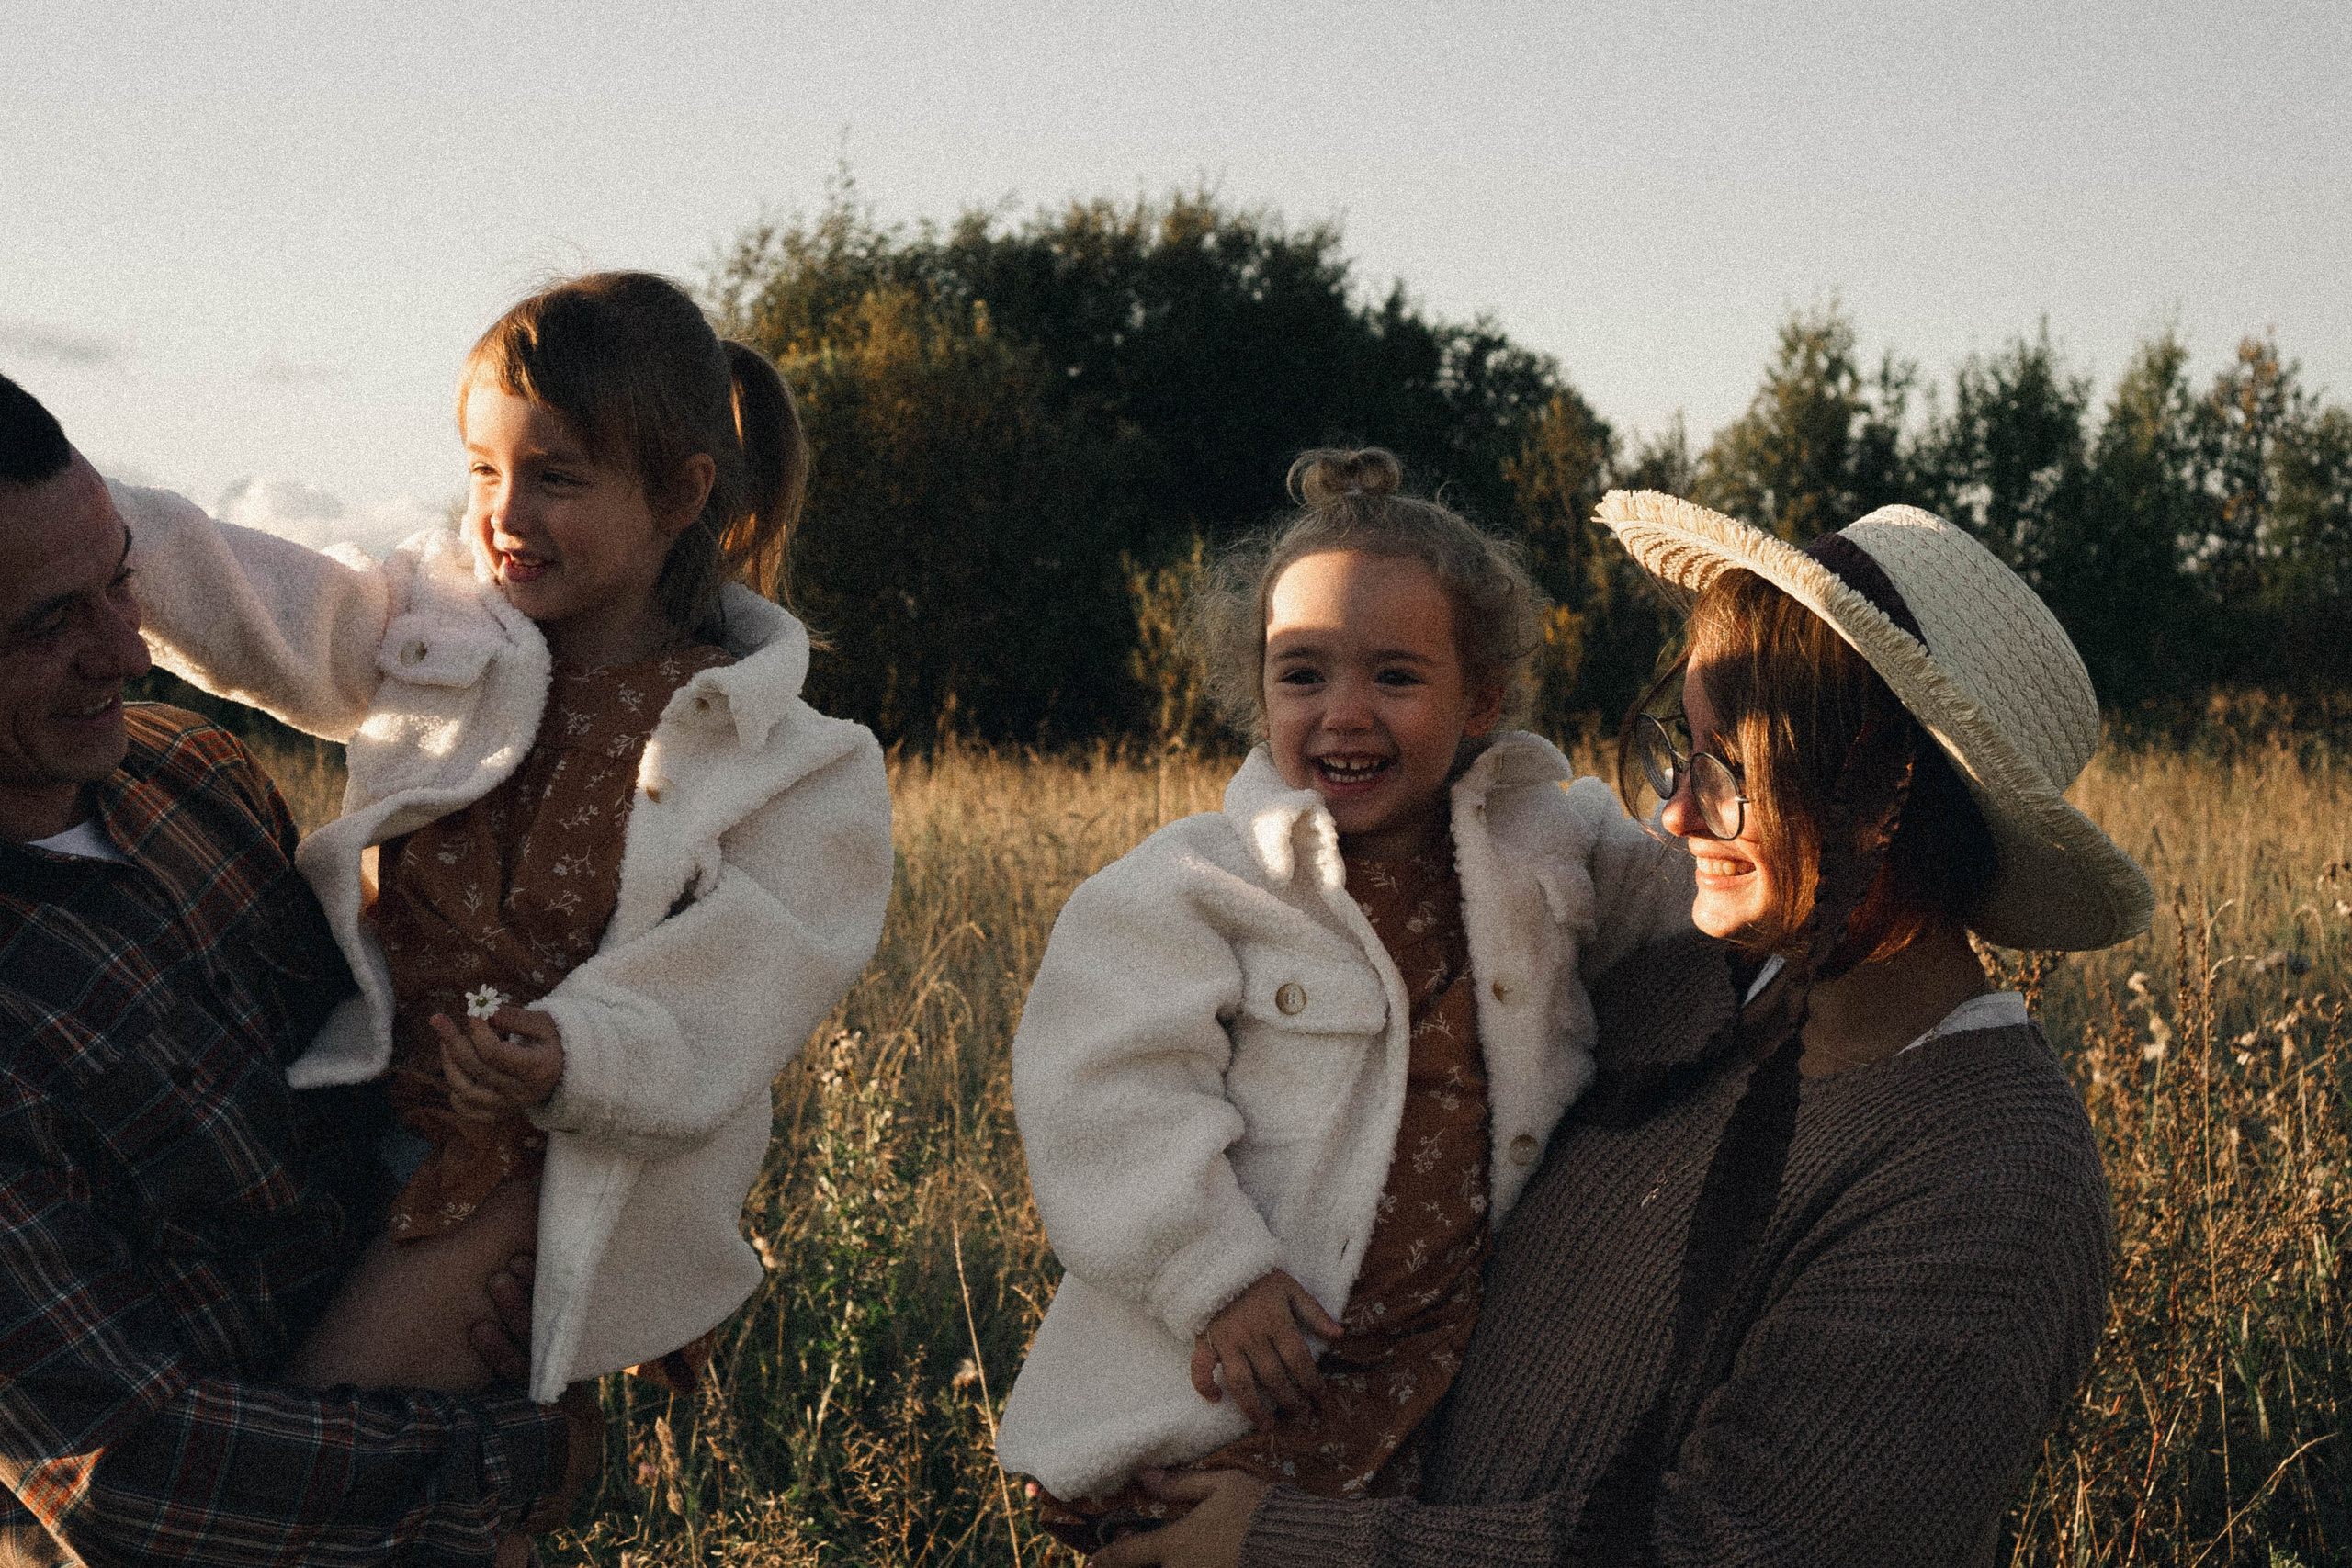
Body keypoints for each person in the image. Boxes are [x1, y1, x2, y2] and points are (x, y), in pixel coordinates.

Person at [1090, 490, 2152, 1567]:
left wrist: (1279, 1545)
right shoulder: (1674, 987)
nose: (1673, 815)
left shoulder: (1989, 1172)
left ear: (1885, 795)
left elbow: (1744, 1548)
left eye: (1728, 768)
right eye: (1674, 749)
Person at [104, 272, 895, 1422]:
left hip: (542, 1166)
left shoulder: (788, 756)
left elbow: (755, 973)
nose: (504, 513)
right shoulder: (442, 634)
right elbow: (259, 600)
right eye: (484, 468)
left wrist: (577, 1052)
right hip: (356, 1113)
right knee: (412, 1476)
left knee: (332, 1432)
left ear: (683, 494)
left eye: (555, 476)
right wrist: (98, 522)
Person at [996, 450, 1695, 1548]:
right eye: (1303, 674)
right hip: (1239, 1368)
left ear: (1484, 699)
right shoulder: (1197, 887)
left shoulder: (1548, 841)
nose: (1344, 715)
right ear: (1256, 687)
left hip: (1437, 1378)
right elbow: (1102, 1093)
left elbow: (1680, 898)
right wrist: (1211, 1272)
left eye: (1396, 678)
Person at [0, 371, 595, 1563]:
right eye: (46, 624)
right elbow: (116, 1472)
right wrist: (509, 1455)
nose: (125, 648)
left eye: (120, 579)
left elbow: (388, 1085)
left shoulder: (192, 780)